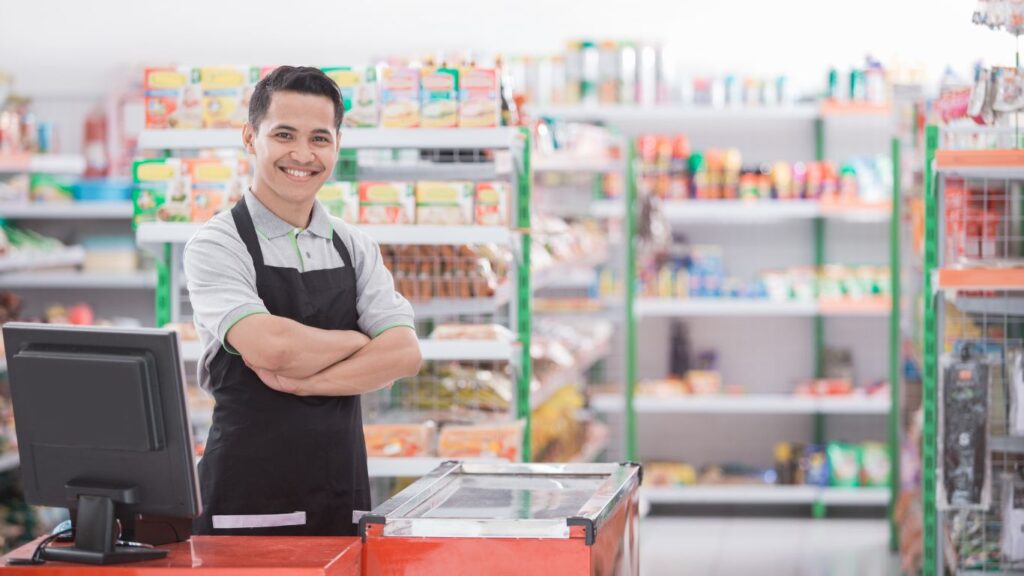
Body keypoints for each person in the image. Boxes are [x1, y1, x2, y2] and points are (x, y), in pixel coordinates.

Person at [184, 66, 421, 536]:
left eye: (319, 138)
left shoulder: (353, 246)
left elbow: (404, 353)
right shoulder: (217, 244)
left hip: (341, 491)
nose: (302, 154)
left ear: (336, 145)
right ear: (251, 138)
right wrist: (358, 341)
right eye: (284, 134)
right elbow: (272, 349)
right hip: (246, 496)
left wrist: (300, 383)